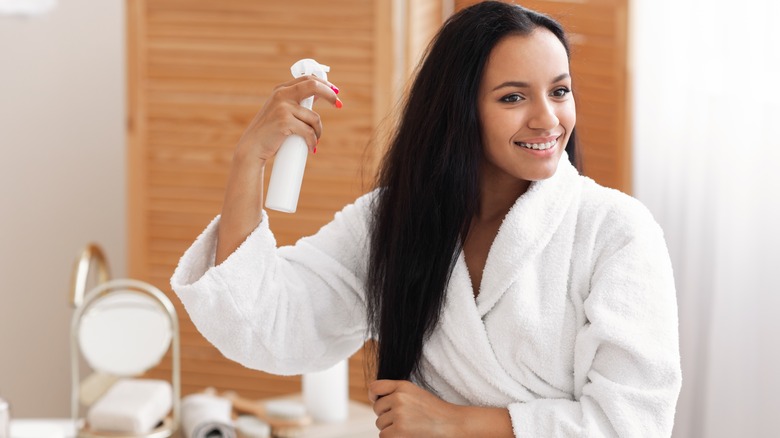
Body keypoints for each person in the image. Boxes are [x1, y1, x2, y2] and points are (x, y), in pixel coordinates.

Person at [171, 1, 682, 437]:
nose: (548, 118)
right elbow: (265, 323)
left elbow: (633, 422)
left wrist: (457, 423)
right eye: (513, 97)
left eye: (560, 91)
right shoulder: (394, 219)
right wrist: (250, 160)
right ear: (459, 109)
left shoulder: (617, 231)